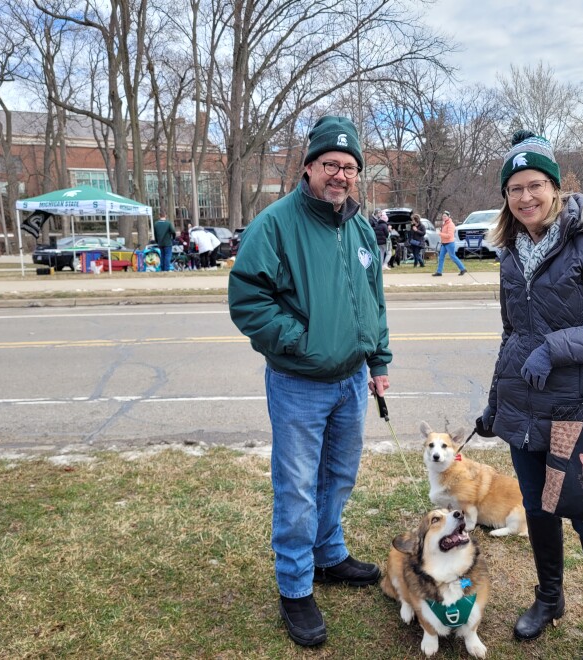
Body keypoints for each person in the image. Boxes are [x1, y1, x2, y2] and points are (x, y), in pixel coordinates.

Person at [476, 129, 583, 660]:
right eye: (515, 189)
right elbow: (511, 337)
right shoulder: (510, 253)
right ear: (505, 197)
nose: (526, 197)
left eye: (537, 185)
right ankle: (550, 599)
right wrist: (496, 402)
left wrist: (555, 348)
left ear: (556, 187)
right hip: (525, 412)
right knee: (539, 510)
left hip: (581, 410)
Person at [228, 115, 392, 648]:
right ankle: (295, 586)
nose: (340, 175)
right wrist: (304, 340)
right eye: (330, 165)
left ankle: (328, 556)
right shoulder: (274, 225)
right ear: (309, 168)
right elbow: (248, 300)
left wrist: (378, 360)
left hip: (350, 382)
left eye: (349, 167)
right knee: (296, 488)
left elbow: (373, 301)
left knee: (339, 477)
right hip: (299, 383)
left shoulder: (361, 227)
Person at [432, 210, 467, 276]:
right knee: (441, 257)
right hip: (444, 243)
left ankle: (463, 269)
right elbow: (444, 234)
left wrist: (440, 234)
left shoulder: (451, 224)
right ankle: (439, 272)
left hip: (450, 243)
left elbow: (449, 236)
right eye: (443, 216)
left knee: (453, 256)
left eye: (445, 216)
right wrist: (441, 233)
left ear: (448, 216)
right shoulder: (444, 224)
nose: (444, 217)